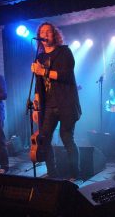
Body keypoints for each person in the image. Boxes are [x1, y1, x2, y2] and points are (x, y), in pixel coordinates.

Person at [31, 22, 82, 180]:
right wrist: (36, 107)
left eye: (48, 31)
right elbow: (39, 84)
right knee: (44, 139)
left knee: (67, 138)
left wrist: (43, 71)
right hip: (48, 105)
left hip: (66, 103)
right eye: (42, 32)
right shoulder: (40, 57)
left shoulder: (64, 51)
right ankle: (52, 174)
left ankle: (75, 174)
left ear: (54, 35)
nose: (45, 34)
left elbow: (66, 75)